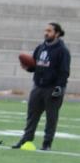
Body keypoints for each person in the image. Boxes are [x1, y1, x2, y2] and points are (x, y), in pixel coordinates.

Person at [12, 22, 70, 151]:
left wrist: (60, 87)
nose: (46, 33)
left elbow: (64, 71)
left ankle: (47, 143)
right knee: (32, 115)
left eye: (49, 31)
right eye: (45, 30)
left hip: (52, 87)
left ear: (57, 33)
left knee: (51, 117)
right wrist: (27, 67)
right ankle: (26, 139)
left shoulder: (62, 51)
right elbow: (35, 66)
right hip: (38, 86)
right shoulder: (41, 48)